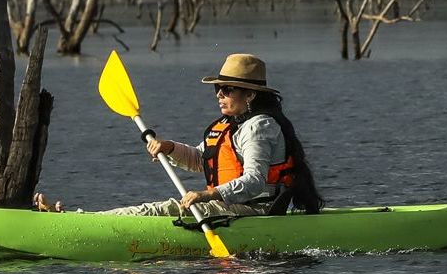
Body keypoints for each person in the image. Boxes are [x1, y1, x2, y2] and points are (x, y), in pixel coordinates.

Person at [34, 53, 322, 218]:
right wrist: (169, 147)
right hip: (230, 205)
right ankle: (76, 218)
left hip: (256, 212)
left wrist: (208, 194)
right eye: (217, 89)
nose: (219, 94)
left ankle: (76, 220)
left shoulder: (259, 127)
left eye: (227, 89)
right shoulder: (231, 125)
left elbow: (253, 181)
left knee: (157, 210)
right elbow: (201, 160)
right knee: (158, 208)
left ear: (250, 95)